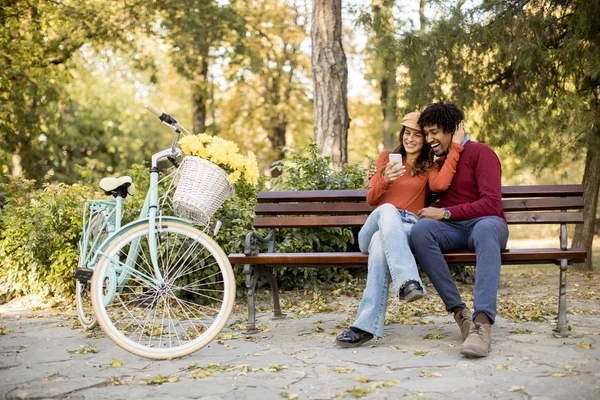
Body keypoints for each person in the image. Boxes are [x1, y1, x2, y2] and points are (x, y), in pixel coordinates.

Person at [336, 111, 465, 348]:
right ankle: (408, 281)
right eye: (407, 132)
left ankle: (364, 327)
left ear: (425, 139)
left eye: (417, 134)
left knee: (378, 244)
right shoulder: (386, 157)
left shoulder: (430, 167)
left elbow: (441, 184)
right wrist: (385, 178)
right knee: (387, 211)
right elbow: (372, 199)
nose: (411, 138)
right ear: (402, 134)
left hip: (405, 229)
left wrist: (455, 147)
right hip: (378, 220)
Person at [410, 101, 508, 358]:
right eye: (426, 133)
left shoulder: (481, 152)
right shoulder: (439, 163)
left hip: (487, 223)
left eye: (434, 132)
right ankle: (461, 315)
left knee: (486, 229)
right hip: (454, 229)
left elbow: (491, 204)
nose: (429, 139)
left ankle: (483, 323)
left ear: (452, 129)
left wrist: (445, 213)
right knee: (421, 231)